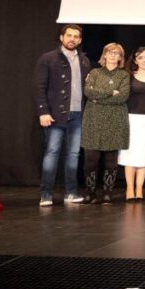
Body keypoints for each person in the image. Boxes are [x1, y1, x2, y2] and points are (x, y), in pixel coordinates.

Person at [33, 24, 92, 206]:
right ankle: (46, 195)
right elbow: (39, 87)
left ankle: (71, 193)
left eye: (76, 36)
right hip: (55, 115)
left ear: (80, 40)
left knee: (73, 154)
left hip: (77, 114)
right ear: (61, 37)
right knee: (52, 153)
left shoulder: (84, 61)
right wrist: (43, 111)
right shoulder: (48, 58)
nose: (72, 39)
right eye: (69, 35)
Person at [81, 43, 130, 204]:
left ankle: (108, 193)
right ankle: (90, 193)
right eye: (110, 52)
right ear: (105, 55)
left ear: (120, 58)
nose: (113, 55)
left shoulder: (124, 75)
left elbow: (122, 97)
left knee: (110, 161)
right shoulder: (94, 72)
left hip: (115, 121)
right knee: (90, 160)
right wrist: (110, 92)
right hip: (93, 121)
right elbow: (88, 92)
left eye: (117, 53)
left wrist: (98, 98)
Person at [118, 47, 145, 202]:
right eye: (140, 57)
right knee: (130, 154)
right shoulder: (129, 76)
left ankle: (139, 189)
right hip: (132, 118)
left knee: (144, 154)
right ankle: (129, 188)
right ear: (135, 60)